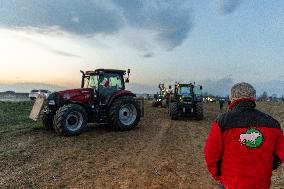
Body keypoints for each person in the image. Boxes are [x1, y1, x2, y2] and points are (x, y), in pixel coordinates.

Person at [204, 82, 283, 189]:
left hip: (231, 183)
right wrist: (268, 166)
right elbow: (280, 154)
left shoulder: (222, 122)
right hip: (261, 183)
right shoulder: (273, 123)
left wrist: (218, 175)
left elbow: (211, 154)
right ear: (254, 98)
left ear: (232, 98)